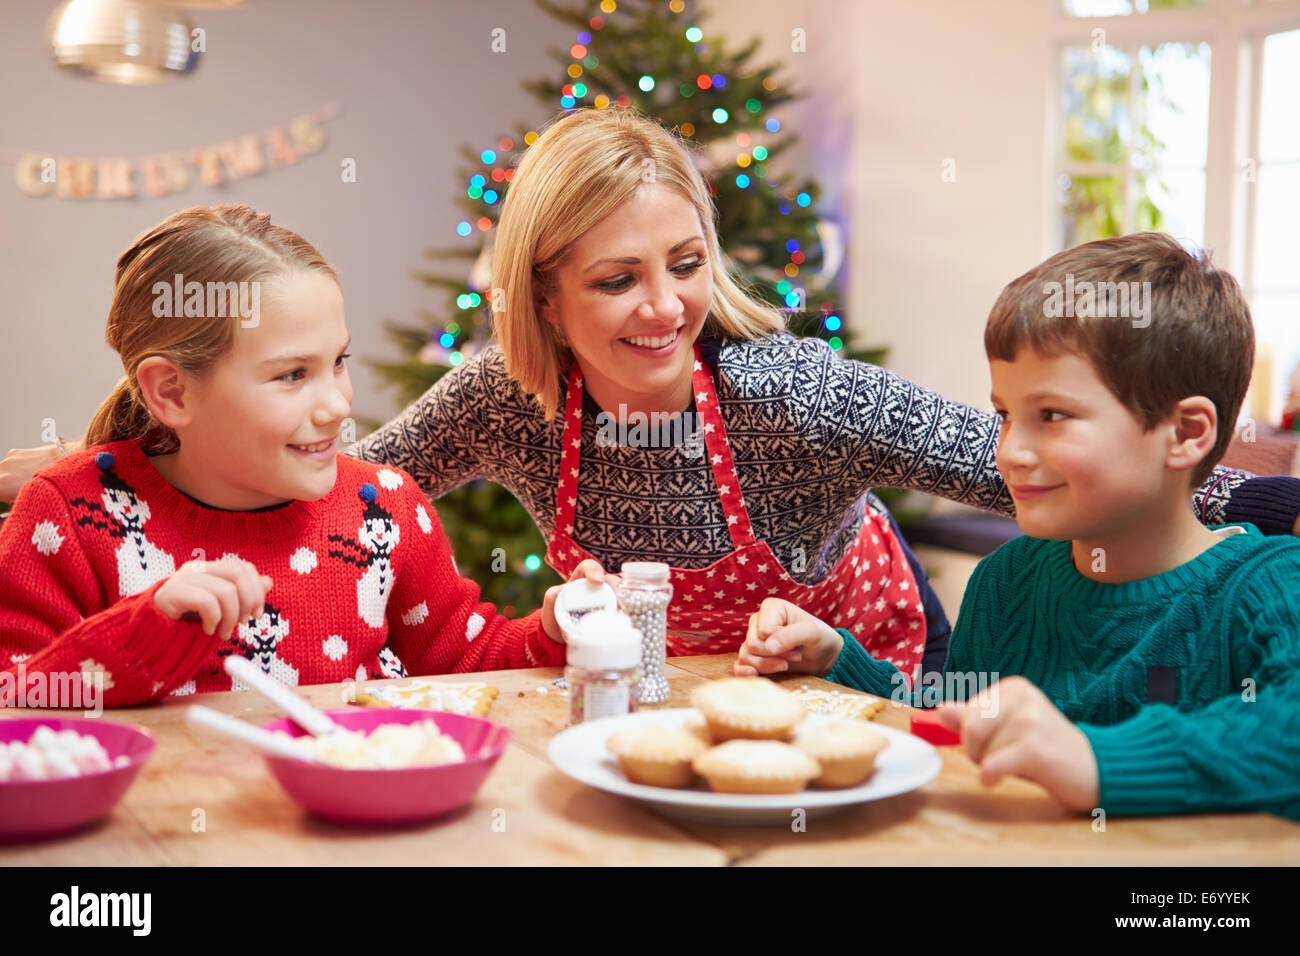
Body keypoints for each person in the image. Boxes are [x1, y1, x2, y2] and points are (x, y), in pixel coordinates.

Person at [4, 109, 1298, 687]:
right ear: (546, 295)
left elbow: (1005, 461)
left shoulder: (783, 392)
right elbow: (340, 488)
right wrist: (93, 472)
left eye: (684, 263)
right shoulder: (505, 397)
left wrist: (1267, 502)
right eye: (617, 279)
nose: (665, 306)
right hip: (652, 712)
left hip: (853, 704)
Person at [735, 233, 1300, 821]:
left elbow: (1288, 732)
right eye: (1005, 415)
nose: (1009, 452)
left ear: (1185, 433)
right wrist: (836, 660)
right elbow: (959, 717)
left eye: (1051, 415)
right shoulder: (1006, 580)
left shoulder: (1272, 585)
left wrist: (1094, 761)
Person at [0, 205, 592, 709]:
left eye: (337, 362)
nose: (337, 405)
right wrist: (147, 630)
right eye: (291, 375)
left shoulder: (385, 507)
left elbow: (463, 660)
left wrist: (555, 626)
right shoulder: (67, 516)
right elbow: (16, 698)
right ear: (172, 392)